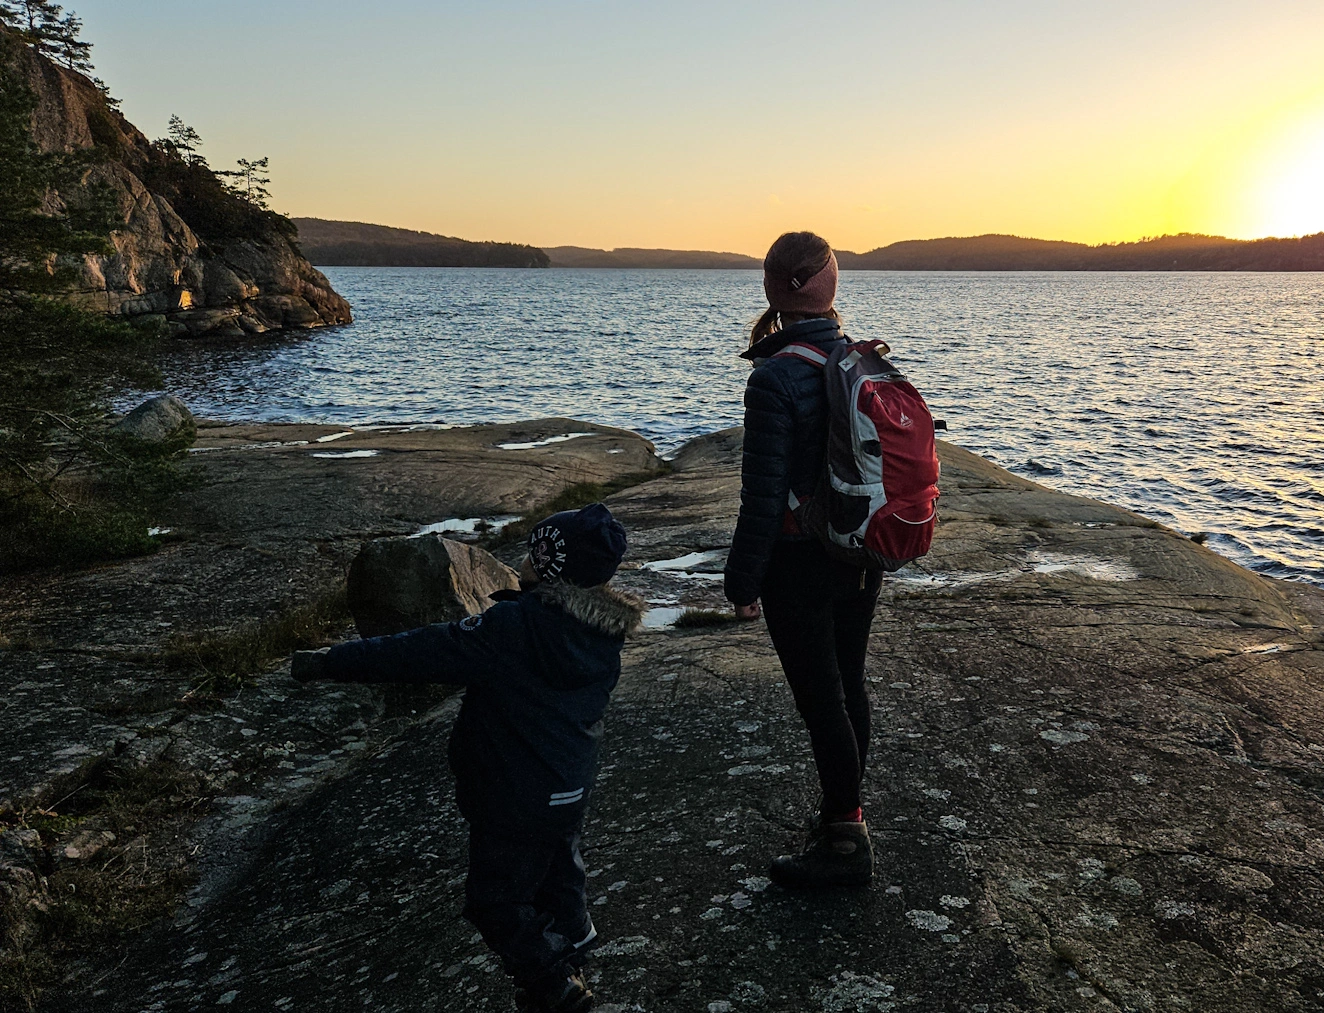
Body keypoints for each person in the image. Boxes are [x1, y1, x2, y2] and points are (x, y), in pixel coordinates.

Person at [291, 504, 641, 1013]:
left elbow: (426, 650)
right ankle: (575, 956)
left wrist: (332, 661)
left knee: (494, 901)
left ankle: (555, 986)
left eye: (533, 553)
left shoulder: (514, 626)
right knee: (559, 880)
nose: (523, 560)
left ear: (549, 564)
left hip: (513, 796)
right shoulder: (601, 635)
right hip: (568, 787)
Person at [723, 231, 884, 890]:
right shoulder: (858, 358)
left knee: (822, 702)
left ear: (776, 287)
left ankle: (845, 839)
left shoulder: (775, 376)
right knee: (849, 686)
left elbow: (763, 496)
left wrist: (742, 579)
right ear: (829, 283)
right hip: (861, 550)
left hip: (800, 563)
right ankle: (843, 814)